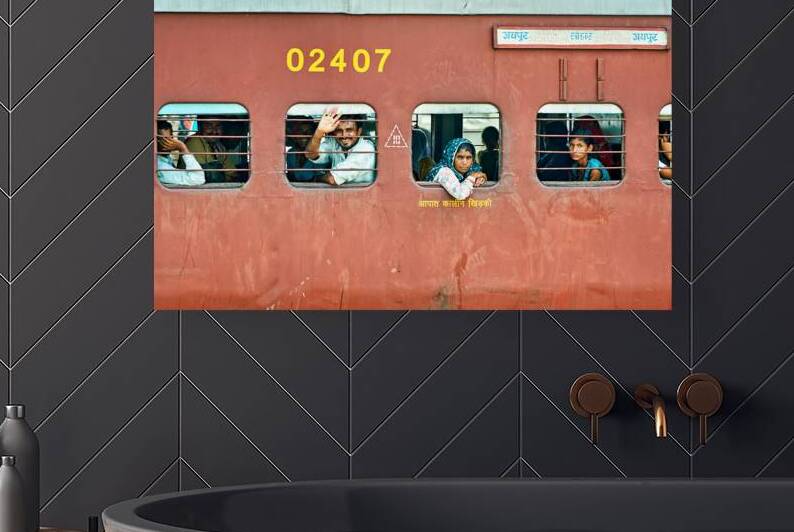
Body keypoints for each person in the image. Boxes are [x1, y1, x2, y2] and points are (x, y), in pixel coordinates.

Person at [305, 109, 375, 185]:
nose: (344, 135)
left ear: (359, 131)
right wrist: (319, 132)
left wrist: (316, 178)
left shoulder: (366, 149)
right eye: (339, 130)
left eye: (349, 130)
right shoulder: (334, 143)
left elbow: (332, 179)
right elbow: (310, 155)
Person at [185, 117, 236, 182]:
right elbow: (209, 175)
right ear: (200, 127)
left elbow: (232, 172)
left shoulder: (218, 145)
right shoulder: (194, 142)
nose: (214, 131)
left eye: (218, 126)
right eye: (209, 126)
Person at [156, 120, 205, 186]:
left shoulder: (165, 158)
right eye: (164, 139)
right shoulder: (161, 167)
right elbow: (198, 179)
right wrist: (183, 148)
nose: (170, 142)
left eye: (171, 138)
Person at [285, 115, 329, 182]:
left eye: (308, 132)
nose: (304, 136)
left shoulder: (320, 153)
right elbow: (290, 177)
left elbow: (320, 179)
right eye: (300, 133)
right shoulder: (291, 153)